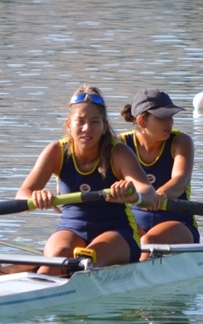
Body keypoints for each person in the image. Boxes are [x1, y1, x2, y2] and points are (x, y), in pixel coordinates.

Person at [18, 86, 157, 272]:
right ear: (68, 124)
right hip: (70, 229)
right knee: (55, 259)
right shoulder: (56, 152)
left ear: (104, 125)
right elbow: (22, 194)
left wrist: (133, 195)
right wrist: (35, 197)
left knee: (85, 262)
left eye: (94, 121)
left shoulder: (118, 152)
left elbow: (149, 194)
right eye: (80, 121)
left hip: (117, 233)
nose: (87, 128)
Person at [119, 88, 199, 254]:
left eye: (171, 116)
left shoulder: (181, 142)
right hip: (135, 224)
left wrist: (159, 193)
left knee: (148, 241)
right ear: (141, 121)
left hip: (178, 223)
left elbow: (180, 180)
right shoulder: (120, 144)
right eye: (163, 117)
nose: (170, 122)